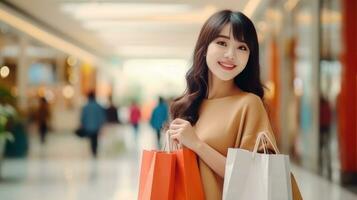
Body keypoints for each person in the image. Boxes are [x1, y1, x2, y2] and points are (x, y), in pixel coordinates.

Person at [166, 10, 301, 199]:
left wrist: (196, 144)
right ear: (204, 48)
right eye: (222, 43)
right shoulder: (187, 106)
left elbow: (253, 178)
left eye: (242, 47)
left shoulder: (248, 104)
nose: (231, 54)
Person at [80, 91, 106, 157]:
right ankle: (95, 150)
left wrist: (83, 124)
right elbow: (101, 117)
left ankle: (93, 150)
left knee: (92, 139)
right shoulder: (98, 106)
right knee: (95, 139)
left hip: (88, 126)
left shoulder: (86, 107)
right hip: (96, 126)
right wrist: (101, 125)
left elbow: (83, 117)